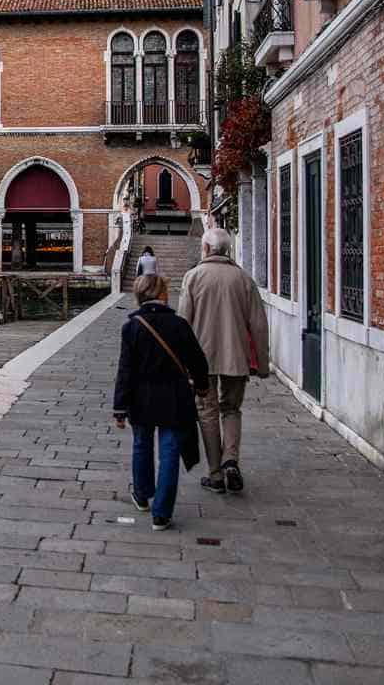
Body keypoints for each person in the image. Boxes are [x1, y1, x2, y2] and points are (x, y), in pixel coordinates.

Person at [113, 273, 209, 531]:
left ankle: (142, 496)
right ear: (163, 294)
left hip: (141, 398)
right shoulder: (179, 325)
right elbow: (197, 360)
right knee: (169, 452)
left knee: (142, 445)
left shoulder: (131, 327)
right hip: (174, 398)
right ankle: (162, 514)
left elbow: (125, 370)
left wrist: (119, 407)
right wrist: (202, 386)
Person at [179, 227, 270, 495]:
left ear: (205, 249)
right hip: (236, 357)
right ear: (227, 250)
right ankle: (232, 460)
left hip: (201, 359)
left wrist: (182, 364)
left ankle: (216, 473)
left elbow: (183, 324)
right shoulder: (243, 279)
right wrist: (262, 365)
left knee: (207, 412)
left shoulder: (193, 278)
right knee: (231, 409)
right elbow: (259, 325)